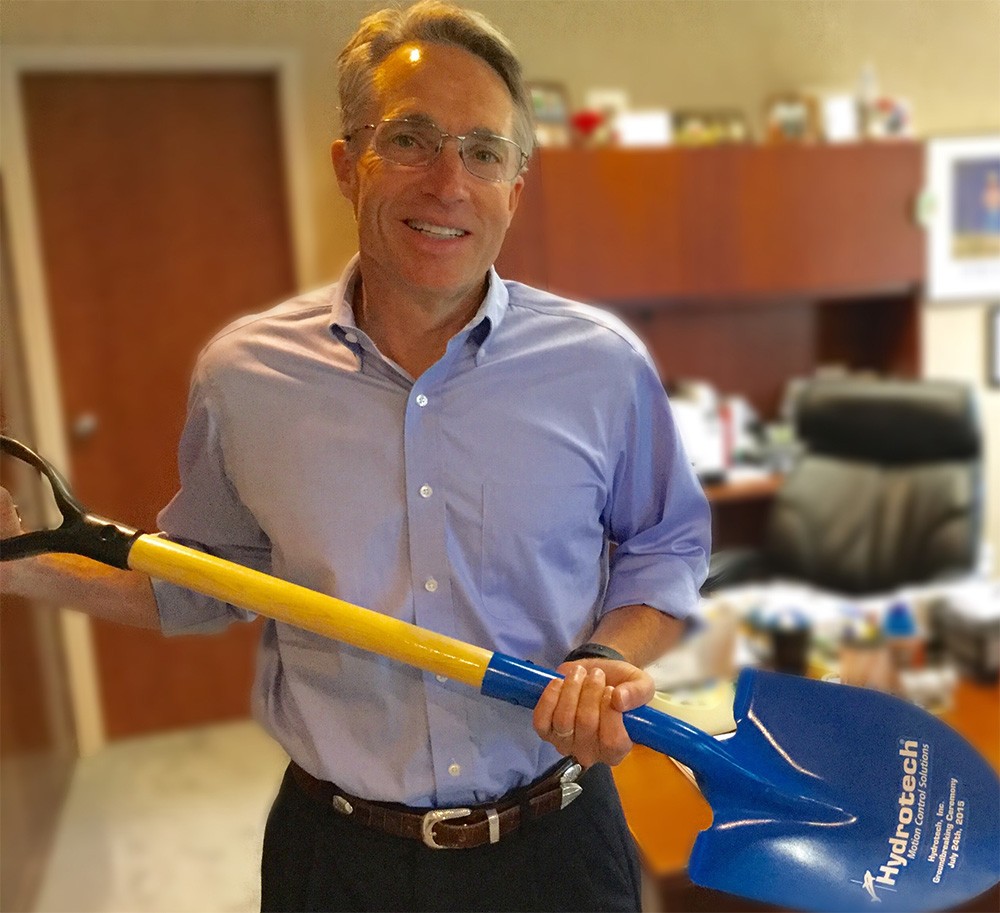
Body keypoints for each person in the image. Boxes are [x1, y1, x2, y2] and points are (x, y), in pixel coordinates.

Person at [0, 2, 710, 910]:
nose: (449, 182)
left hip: (556, 846)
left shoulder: (599, 366)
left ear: (515, 189)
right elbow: (200, 580)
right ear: (349, 164)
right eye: (411, 139)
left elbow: (668, 544)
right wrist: (21, 568)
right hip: (340, 859)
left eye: (484, 152)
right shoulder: (246, 377)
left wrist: (608, 654)